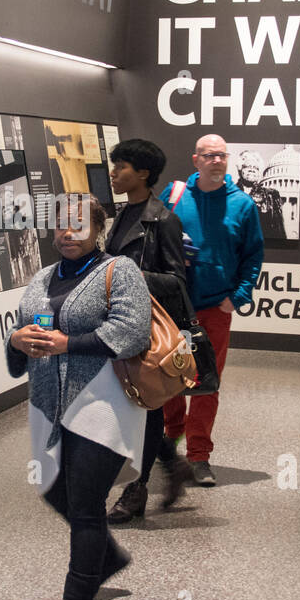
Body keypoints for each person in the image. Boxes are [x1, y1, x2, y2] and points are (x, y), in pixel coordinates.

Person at [6, 194, 152, 600]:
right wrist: (16, 340)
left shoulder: (118, 271)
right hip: (48, 401)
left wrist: (67, 344)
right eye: (60, 226)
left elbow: (132, 332)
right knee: (53, 491)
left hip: (102, 401)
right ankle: (104, 557)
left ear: (97, 230)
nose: (67, 234)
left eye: (78, 226)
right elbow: (23, 333)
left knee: (86, 505)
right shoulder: (42, 276)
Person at [160, 134, 264, 486]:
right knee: (167, 378)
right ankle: (169, 445)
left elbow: (253, 256)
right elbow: (152, 243)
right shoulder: (173, 197)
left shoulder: (243, 205)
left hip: (214, 309)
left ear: (227, 160)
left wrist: (238, 296)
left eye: (221, 156)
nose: (216, 161)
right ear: (196, 160)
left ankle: (199, 455)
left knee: (206, 383)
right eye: (209, 156)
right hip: (172, 308)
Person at [102, 139, 196, 522]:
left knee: (145, 405)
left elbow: (176, 280)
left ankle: (137, 489)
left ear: (142, 173)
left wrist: (132, 275)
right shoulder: (123, 214)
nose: (113, 173)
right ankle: (173, 466)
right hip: (119, 324)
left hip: (147, 329)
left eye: (121, 167)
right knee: (133, 405)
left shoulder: (163, 220)